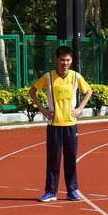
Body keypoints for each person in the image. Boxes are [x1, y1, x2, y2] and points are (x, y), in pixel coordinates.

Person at [28, 46, 90, 202]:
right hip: (54, 124)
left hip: (71, 124)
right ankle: (51, 191)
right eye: (62, 60)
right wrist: (42, 109)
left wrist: (80, 108)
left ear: (71, 60)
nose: (65, 63)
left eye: (68, 60)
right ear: (56, 60)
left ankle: (72, 190)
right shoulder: (49, 77)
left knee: (71, 158)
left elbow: (88, 91)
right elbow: (32, 91)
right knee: (53, 158)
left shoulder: (76, 77)